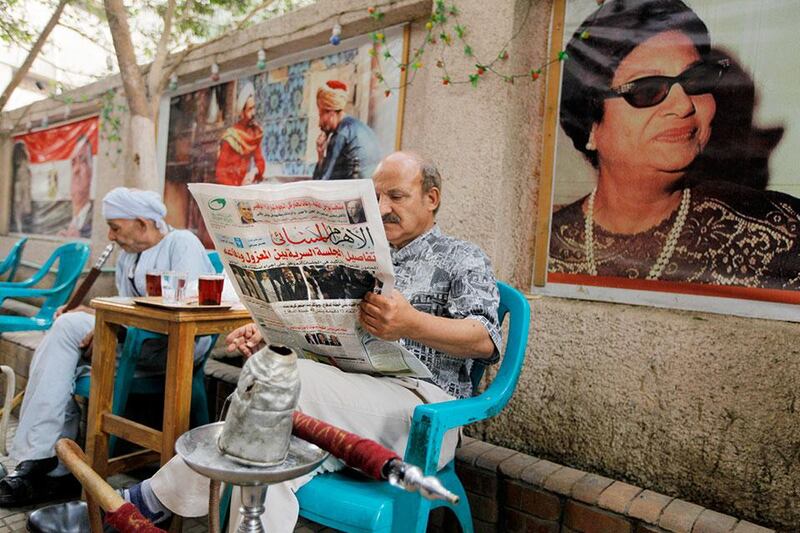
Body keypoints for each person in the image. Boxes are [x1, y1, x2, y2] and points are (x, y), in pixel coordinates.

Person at [118, 152, 502, 531]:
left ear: (431, 199)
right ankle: (162, 504)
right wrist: (275, 336)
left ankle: (151, 501)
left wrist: (411, 323)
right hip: (344, 400)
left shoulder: (461, 258)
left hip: (420, 413)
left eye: (396, 197)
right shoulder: (357, 251)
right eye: (376, 197)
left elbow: (485, 339)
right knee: (266, 453)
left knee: (280, 388)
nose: (382, 207)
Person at [549, 0, 800, 289]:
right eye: (647, 89)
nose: (683, 105)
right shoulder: (541, 247)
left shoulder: (783, 234)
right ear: (590, 125)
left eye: (695, 80)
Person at [0, 188, 215, 507]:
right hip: (133, 342)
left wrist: (111, 323)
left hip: (174, 349)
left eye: (115, 227)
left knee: (68, 329)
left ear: (143, 223)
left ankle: (41, 460)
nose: (111, 236)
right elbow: (128, 304)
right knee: (66, 332)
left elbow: (186, 308)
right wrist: (98, 316)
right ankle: (53, 464)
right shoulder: (130, 255)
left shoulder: (181, 243)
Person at [312, 80, 383, 181]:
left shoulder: (341, 134)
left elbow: (322, 184)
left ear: (331, 112)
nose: (319, 123)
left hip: (354, 193)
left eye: (321, 115)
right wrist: (321, 152)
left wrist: (320, 159)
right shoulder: (359, 127)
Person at [215, 82, 265, 186]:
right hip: (230, 189)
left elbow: (260, 162)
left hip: (245, 187)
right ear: (242, 112)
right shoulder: (230, 137)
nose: (254, 113)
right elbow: (220, 174)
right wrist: (237, 187)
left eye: (254, 108)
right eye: (250, 109)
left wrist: (253, 172)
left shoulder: (253, 134)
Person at [58, 135, 94, 238]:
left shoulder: (96, 216)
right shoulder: (61, 218)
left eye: (83, 161)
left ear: (91, 171)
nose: (76, 170)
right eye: (73, 163)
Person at [10, 141, 32, 233]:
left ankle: (21, 228)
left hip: (23, 185)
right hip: (20, 185)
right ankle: (19, 228)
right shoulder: (18, 162)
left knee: (23, 207)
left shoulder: (24, 161)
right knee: (19, 206)